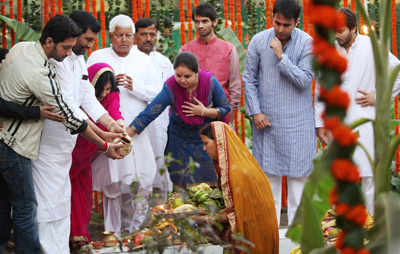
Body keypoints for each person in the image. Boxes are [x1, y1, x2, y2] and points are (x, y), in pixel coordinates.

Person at [0, 15, 121, 254]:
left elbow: (85, 96)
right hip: (39, 146)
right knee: (41, 208)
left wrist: (111, 124)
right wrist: (104, 142)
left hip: (66, 147)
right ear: (64, 38)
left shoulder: (74, 58)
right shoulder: (50, 63)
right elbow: (68, 111)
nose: (88, 45)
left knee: (61, 204)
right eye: (85, 39)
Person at [315, 8, 400, 215]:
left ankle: (370, 233)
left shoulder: (372, 46)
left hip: (366, 123)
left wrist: (377, 96)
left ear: (354, 28)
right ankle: (340, 235)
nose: (336, 35)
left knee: (368, 179)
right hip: (337, 126)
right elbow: (320, 89)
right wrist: (319, 124)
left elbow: (398, 74)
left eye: (341, 31)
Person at [243, 0, 315, 226]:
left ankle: (297, 243)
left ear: (297, 22)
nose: (281, 29)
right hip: (267, 123)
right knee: (268, 184)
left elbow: (304, 80)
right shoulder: (258, 40)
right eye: (277, 23)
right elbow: (249, 80)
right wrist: (255, 112)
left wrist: (281, 57)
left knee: (298, 186)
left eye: (286, 25)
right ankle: (270, 238)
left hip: (298, 126)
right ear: (272, 18)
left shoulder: (307, 43)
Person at [87, 14, 159, 233]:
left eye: (129, 35)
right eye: (120, 35)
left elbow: (158, 95)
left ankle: (137, 232)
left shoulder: (145, 60)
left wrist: (134, 85)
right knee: (113, 184)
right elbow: (86, 93)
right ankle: (112, 234)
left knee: (143, 181)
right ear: (111, 35)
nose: (124, 40)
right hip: (109, 132)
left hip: (138, 130)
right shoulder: (98, 57)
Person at [127, 52, 230, 185]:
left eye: (187, 76)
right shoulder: (171, 86)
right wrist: (129, 132)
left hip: (203, 140)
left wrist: (204, 111)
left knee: (208, 184)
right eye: (178, 75)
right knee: (182, 183)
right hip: (179, 140)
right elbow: (152, 111)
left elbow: (225, 108)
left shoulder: (210, 82)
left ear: (197, 73)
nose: (182, 80)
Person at [70, 62, 130, 242]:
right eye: (102, 89)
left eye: (108, 89)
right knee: (66, 199)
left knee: (83, 199)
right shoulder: (80, 101)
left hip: (86, 160)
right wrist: (105, 145)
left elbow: (114, 112)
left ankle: (80, 237)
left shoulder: (110, 95)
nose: (105, 93)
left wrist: (120, 128)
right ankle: (67, 239)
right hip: (71, 157)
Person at [199, 121, 279, 254]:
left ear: (219, 142)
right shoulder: (238, 167)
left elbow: (241, 212)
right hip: (256, 233)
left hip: (254, 235)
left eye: (206, 143)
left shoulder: (237, 173)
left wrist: (207, 219)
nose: (204, 148)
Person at [134, 17, 174, 200]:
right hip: (136, 122)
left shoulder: (164, 62)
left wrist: (138, 89)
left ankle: (163, 213)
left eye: (152, 34)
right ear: (135, 36)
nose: (148, 38)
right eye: (144, 34)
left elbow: (167, 93)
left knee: (160, 162)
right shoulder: (129, 59)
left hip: (160, 123)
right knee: (138, 167)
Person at [180, 3, 241, 123]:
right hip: (192, 113)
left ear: (214, 22)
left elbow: (235, 85)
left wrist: (230, 115)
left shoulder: (228, 49)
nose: (200, 26)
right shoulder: (185, 50)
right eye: (197, 22)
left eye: (205, 21)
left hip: (221, 112)